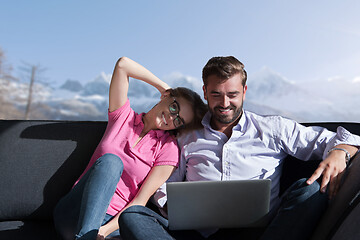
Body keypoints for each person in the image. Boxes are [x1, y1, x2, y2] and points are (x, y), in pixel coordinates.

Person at [118, 56, 360, 240]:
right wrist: (171, 205)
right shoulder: (186, 137)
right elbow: (164, 185)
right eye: (216, 95)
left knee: (310, 191)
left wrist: (340, 152)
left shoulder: (272, 128)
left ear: (244, 91)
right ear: (204, 92)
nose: (225, 103)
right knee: (133, 216)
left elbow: (343, 138)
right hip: (198, 235)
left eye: (232, 94)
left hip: (263, 233)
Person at [53, 56, 207, 240]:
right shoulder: (122, 117)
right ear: (166, 97)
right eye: (174, 108)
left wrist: (104, 231)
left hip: (111, 224)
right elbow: (123, 65)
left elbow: (139, 203)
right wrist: (162, 86)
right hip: (74, 212)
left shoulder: (169, 149)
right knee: (111, 162)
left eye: (179, 120)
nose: (172, 118)